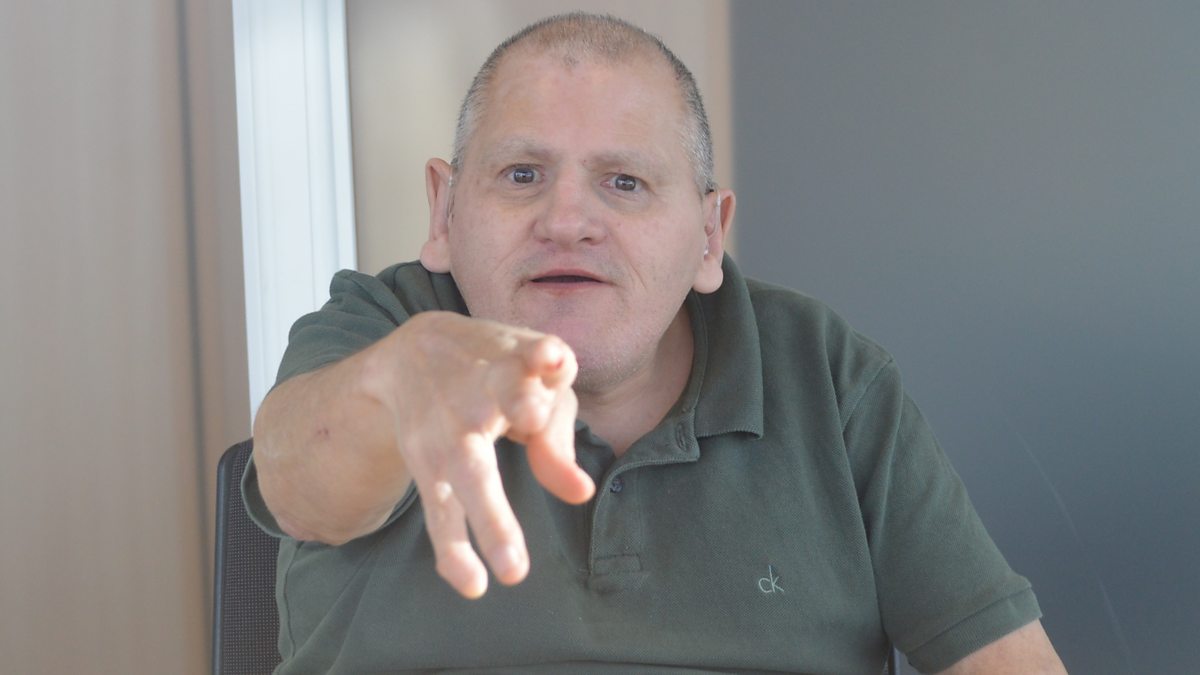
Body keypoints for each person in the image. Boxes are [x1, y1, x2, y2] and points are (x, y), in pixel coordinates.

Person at [244, 12, 1066, 674]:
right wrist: (394, 384)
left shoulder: (828, 373)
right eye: (523, 174)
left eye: (624, 182)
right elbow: (295, 482)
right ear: (444, 209)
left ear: (709, 236)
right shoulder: (382, 329)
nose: (568, 220)